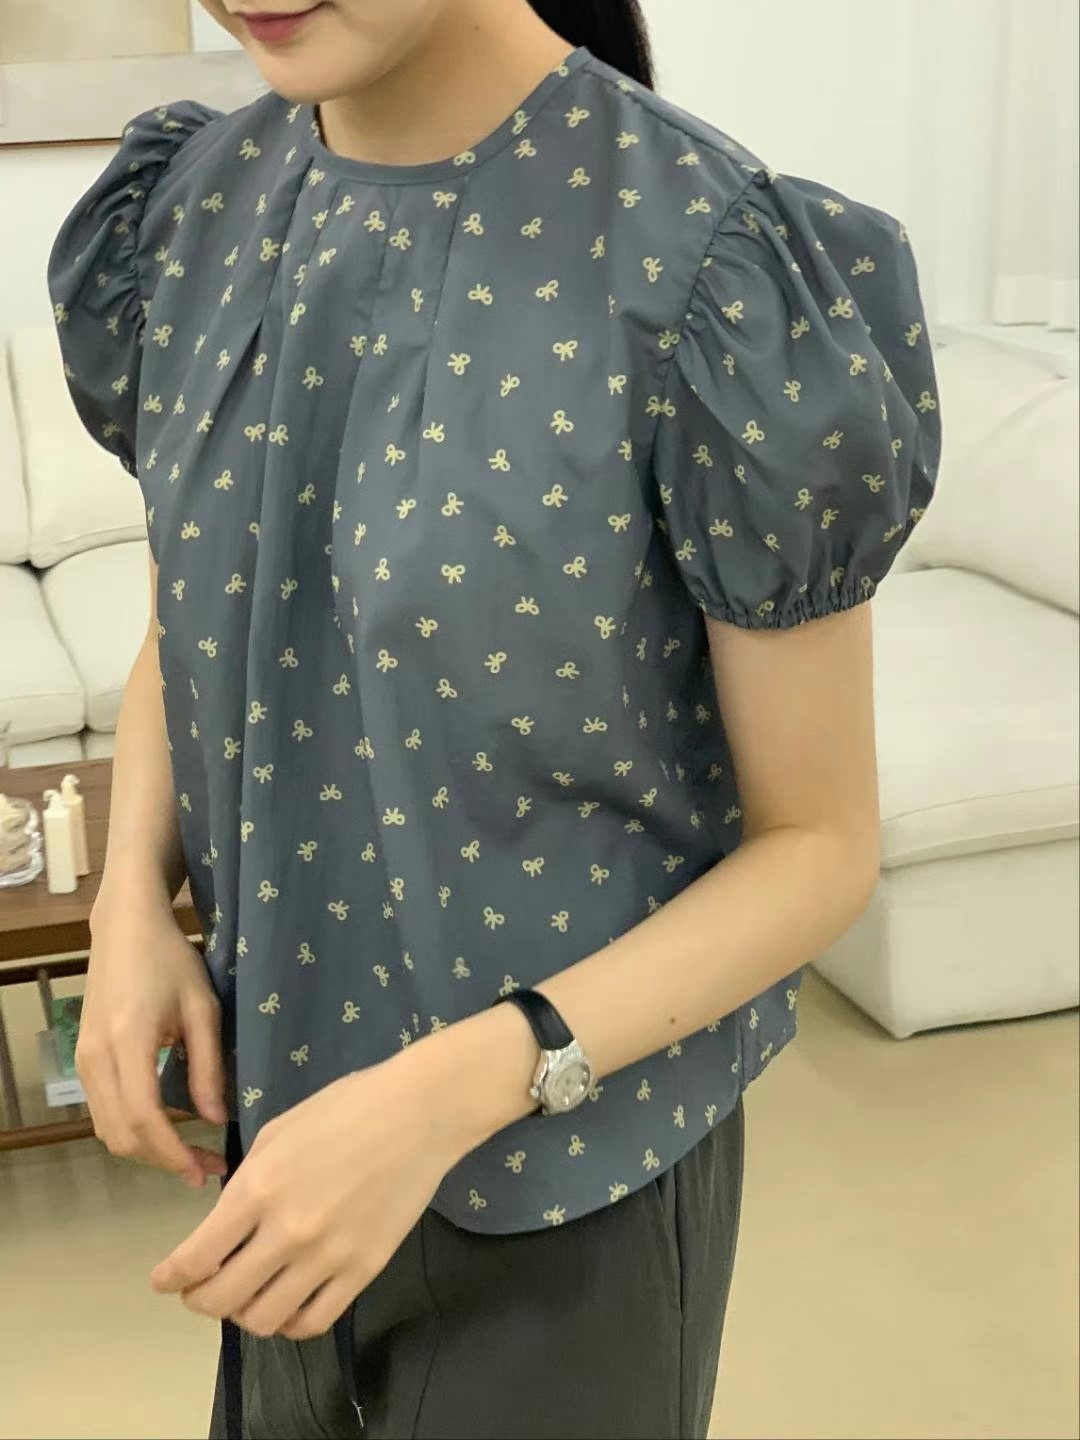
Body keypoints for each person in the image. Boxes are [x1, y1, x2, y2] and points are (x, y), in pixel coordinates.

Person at [49, 1, 940, 1436]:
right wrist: (127, 901)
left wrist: (445, 1094)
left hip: (569, 1192)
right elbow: (201, 603)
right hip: (281, 1157)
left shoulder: (708, 264)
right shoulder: (193, 210)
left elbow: (820, 847)